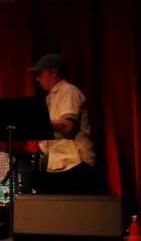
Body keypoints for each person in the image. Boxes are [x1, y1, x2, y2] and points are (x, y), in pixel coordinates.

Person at [30, 53, 97, 194]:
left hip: (75, 164)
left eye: (40, 74)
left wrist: (38, 122)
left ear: (54, 73)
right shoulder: (50, 98)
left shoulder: (68, 91)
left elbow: (68, 126)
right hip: (59, 164)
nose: (37, 79)